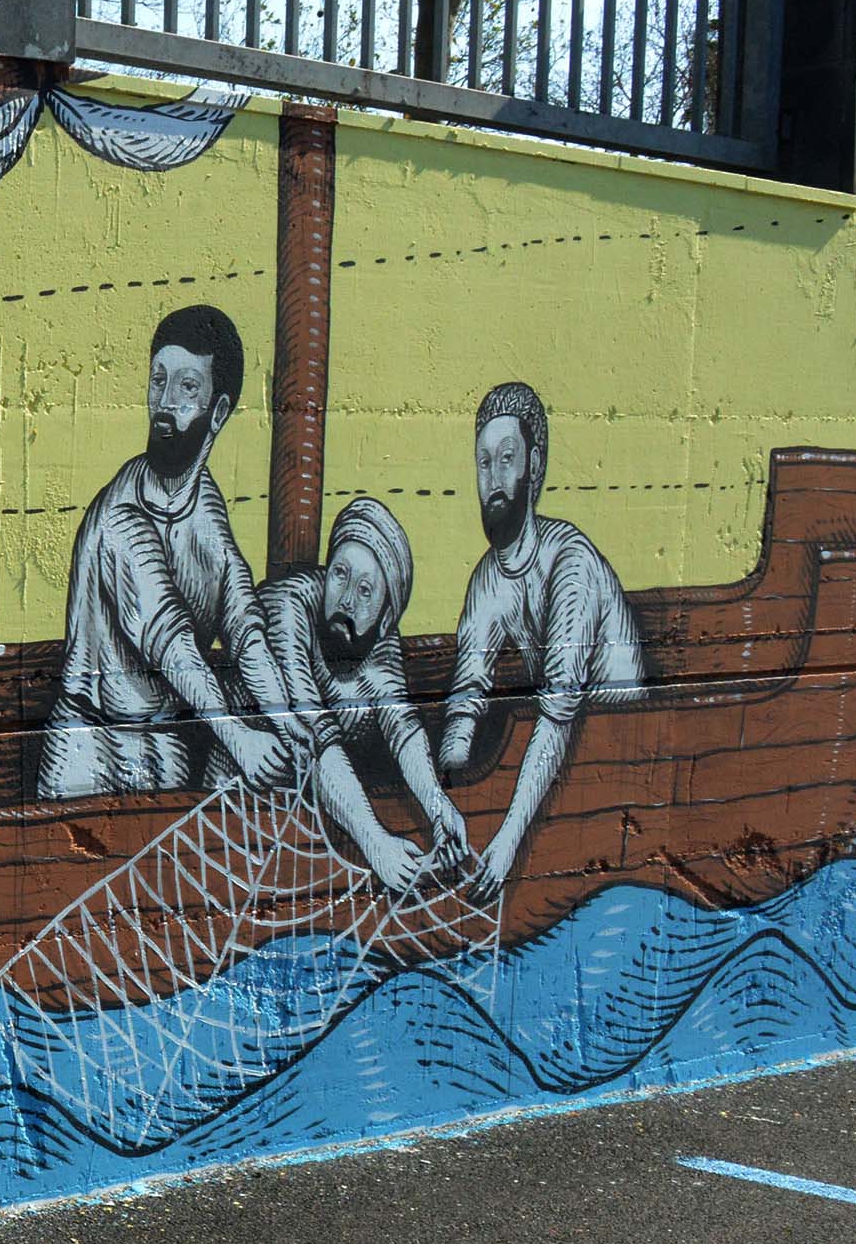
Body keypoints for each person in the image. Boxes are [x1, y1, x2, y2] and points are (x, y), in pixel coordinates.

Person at [35, 304, 289, 800]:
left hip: (167, 746)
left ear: (218, 412)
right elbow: (170, 643)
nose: (164, 404)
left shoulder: (206, 507)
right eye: (158, 381)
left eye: (186, 387)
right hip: (87, 751)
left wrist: (294, 722)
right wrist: (240, 738)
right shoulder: (119, 515)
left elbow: (244, 627)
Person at [437, 381, 648, 895]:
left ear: (533, 464)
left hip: (617, 754)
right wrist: (446, 794)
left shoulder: (569, 562)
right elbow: (467, 696)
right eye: (484, 463)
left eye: (507, 458)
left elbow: (559, 712)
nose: (494, 478)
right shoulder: (488, 581)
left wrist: (506, 843)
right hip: (555, 757)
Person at [223, 496, 469, 892]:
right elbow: (313, 736)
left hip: (311, 815)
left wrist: (439, 806)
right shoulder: (287, 607)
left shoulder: (379, 643)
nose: (347, 599)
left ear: (386, 613)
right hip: (237, 808)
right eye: (340, 574)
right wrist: (374, 841)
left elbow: (402, 727)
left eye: (366, 590)